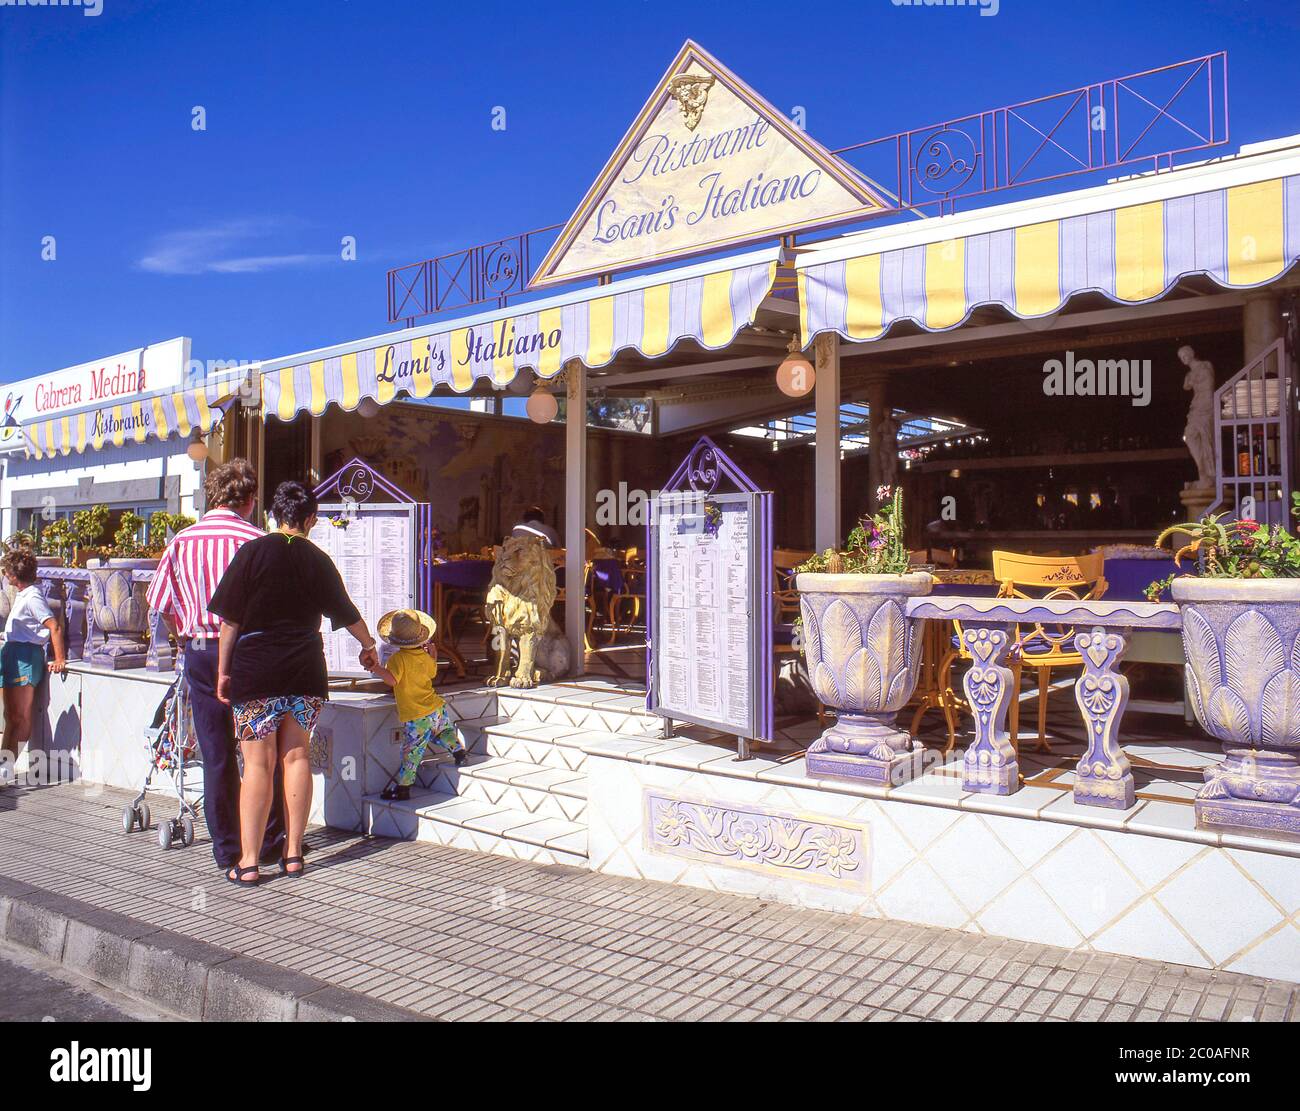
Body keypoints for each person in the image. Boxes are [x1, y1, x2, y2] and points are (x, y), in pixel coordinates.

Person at [209, 481, 377, 886]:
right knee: (297, 757)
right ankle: (294, 854)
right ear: (311, 520)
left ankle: (249, 862)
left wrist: (223, 670)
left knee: (258, 764)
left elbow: (229, 620)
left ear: (272, 515)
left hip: (256, 669)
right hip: (304, 669)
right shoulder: (318, 559)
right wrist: (369, 645)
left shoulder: (250, 553)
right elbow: (346, 611)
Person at [146, 458, 284, 870]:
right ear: (251, 498)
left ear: (213, 494)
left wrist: (184, 635)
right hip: (252, 650)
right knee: (261, 752)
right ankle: (266, 841)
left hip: (200, 652)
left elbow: (161, 604)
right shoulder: (258, 541)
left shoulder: (182, 541)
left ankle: (226, 847)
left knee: (216, 753)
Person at [369, 608, 466, 802]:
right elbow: (431, 674)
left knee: (412, 752)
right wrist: (434, 656)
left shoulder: (398, 659)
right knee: (443, 732)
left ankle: (403, 788)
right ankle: (459, 752)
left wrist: (376, 668)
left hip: (417, 715)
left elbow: (392, 680)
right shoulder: (424, 656)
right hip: (436, 708)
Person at [0, 549, 67, 787]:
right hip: (12, 654)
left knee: (19, 716)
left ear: (14, 573)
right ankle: (3, 766)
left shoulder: (33, 597)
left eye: (6, 569)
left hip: (24, 657)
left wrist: (59, 658)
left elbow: (53, 626)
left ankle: (5, 769)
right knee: (10, 716)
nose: (4, 573)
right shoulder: (23, 594)